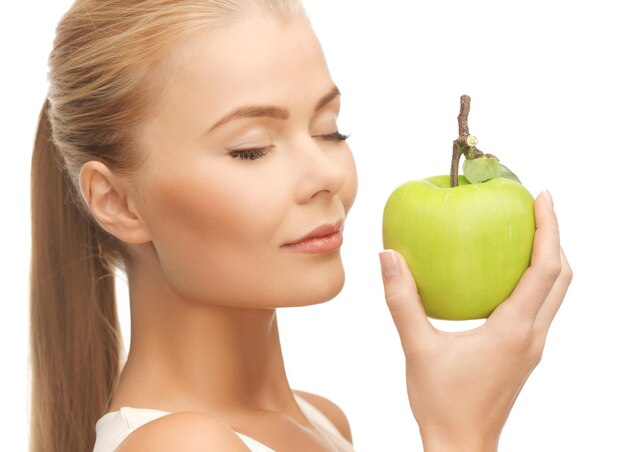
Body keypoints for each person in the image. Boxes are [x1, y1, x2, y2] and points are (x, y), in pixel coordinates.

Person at [29, 1, 572, 451]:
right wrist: (461, 431)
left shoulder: (323, 422)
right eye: (251, 150)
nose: (326, 174)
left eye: (329, 131)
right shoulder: (181, 444)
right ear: (118, 201)